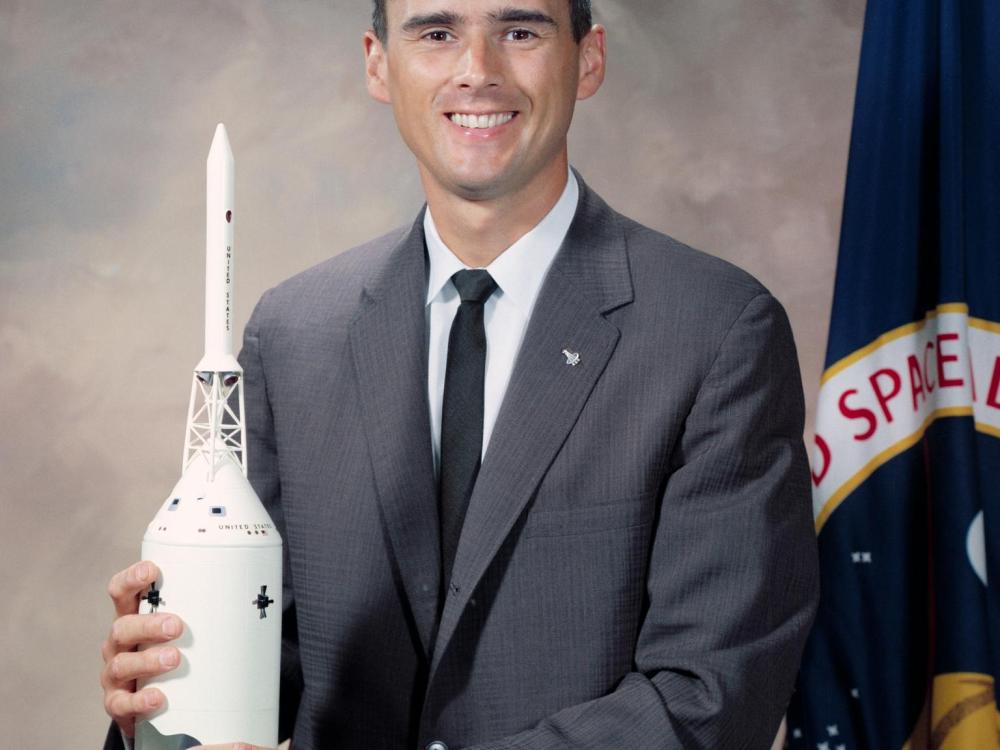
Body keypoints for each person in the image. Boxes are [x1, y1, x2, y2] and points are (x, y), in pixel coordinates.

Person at [100, 1, 819, 748]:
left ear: (590, 58)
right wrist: (164, 696)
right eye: (437, 33)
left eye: (520, 31)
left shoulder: (715, 331)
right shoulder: (294, 334)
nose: (478, 70)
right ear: (379, 64)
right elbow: (275, 655)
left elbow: (708, 701)